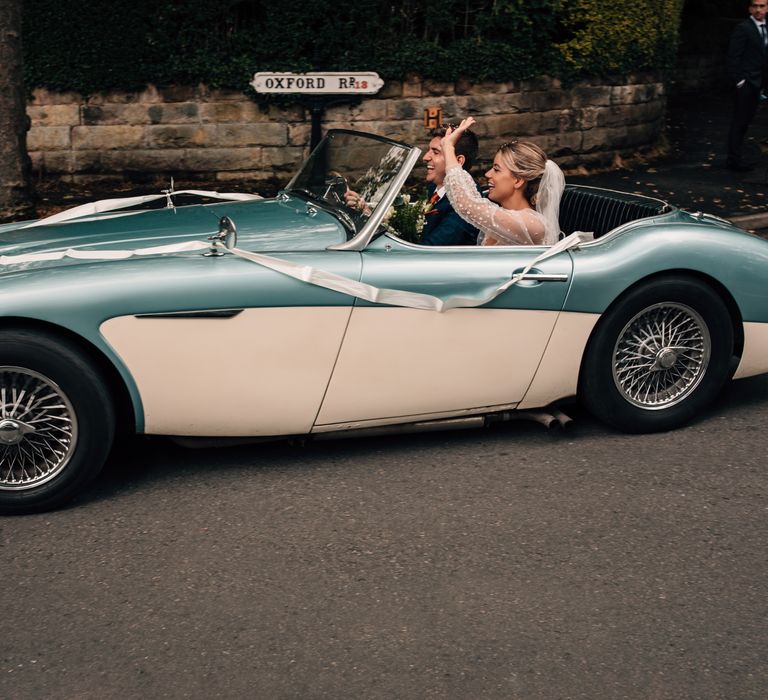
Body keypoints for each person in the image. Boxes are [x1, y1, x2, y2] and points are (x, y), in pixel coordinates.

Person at [440, 117, 565, 246]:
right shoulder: (502, 215)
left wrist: (448, 147)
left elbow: (467, 204)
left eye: (496, 169)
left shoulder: (533, 223)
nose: (488, 174)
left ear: (518, 180)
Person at [419, 126, 481, 246]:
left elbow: (433, 248)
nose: (425, 157)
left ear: (458, 161)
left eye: (435, 152)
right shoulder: (432, 188)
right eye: (428, 150)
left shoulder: (466, 203)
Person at [726, 0, 768, 172]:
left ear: (767, 8)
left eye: (762, 6)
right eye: (755, 6)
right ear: (750, 8)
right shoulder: (743, 28)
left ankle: (738, 157)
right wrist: (740, 81)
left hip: (760, 84)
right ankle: (733, 160)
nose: (758, 10)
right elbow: (733, 56)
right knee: (739, 122)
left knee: (747, 121)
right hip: (747, 83)